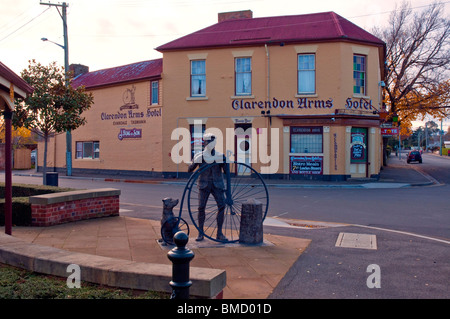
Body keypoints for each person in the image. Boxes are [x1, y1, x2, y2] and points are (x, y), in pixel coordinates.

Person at [188, 133, 228, 241]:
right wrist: (195, 161)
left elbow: (227, 172)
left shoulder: (220, 156)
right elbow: (190, 169)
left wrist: (228, 191)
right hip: (204, 184)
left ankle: (219, 233)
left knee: (221, 206)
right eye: (208, 142)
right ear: (204, 143)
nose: (210, 144)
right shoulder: (200, 155)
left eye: (212, 142)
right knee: (201, 207)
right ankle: (200, 232)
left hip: (217, 184)